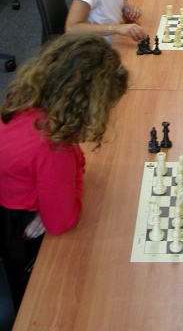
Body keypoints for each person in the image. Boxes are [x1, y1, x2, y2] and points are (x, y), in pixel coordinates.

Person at [0, 33, 129, 309]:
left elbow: (73, 158)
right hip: (19, 234)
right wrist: (74, 175)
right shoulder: (53, 145)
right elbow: (61, 221)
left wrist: (73, 164)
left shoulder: (25, 101)